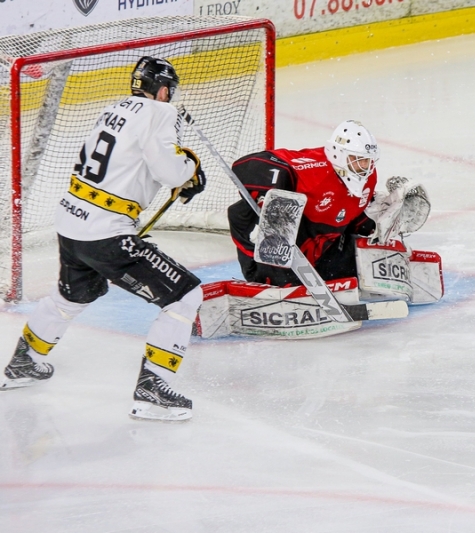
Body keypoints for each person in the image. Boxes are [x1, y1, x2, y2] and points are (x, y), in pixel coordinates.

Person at [0, 56, 207, 422]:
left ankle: (24, 361)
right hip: (104, 232)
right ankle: (152, 391)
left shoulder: (115, 109)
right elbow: (169, 170)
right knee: (185, 295)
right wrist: (190, 165)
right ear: (162, 89)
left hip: (70, 222)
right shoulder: (159, 112)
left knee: (73, 294)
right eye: (169, 91)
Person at [227, 120, 380, 286]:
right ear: (339, 154)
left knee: (365, 263)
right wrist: (270, 193)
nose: (365, 166)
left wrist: (376, 222)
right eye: (358, 159)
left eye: (368, 160)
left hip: (321, 256)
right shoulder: (314, 170)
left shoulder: (369, 178)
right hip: (279, 256)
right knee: (279, 211)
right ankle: (269, 280)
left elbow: (350, 217)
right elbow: (243, 166)